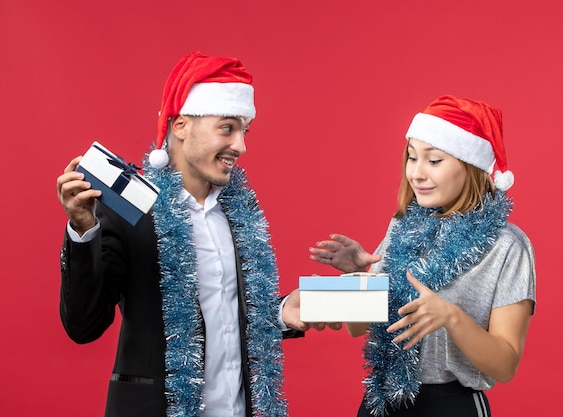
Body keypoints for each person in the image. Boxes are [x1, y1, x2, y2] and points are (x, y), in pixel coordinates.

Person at [56, 51, 335, 417]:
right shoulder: (131, 213)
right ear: (181, 126)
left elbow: (227, 319)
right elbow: (84, 325)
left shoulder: (239, 216)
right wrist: (82, 229)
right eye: (227, 128)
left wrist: (282, 312)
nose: (241, 145)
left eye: (244, 131)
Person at [310, 95, 536, 417]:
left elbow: (505, 364)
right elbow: (358, 327)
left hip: (451, 405)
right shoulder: (404, 226)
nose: (416, 174)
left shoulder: (508, 246)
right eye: (412, 158)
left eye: (434, 161)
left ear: (469, 165)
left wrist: (451, 317)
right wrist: (358, 278)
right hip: (381, 401)